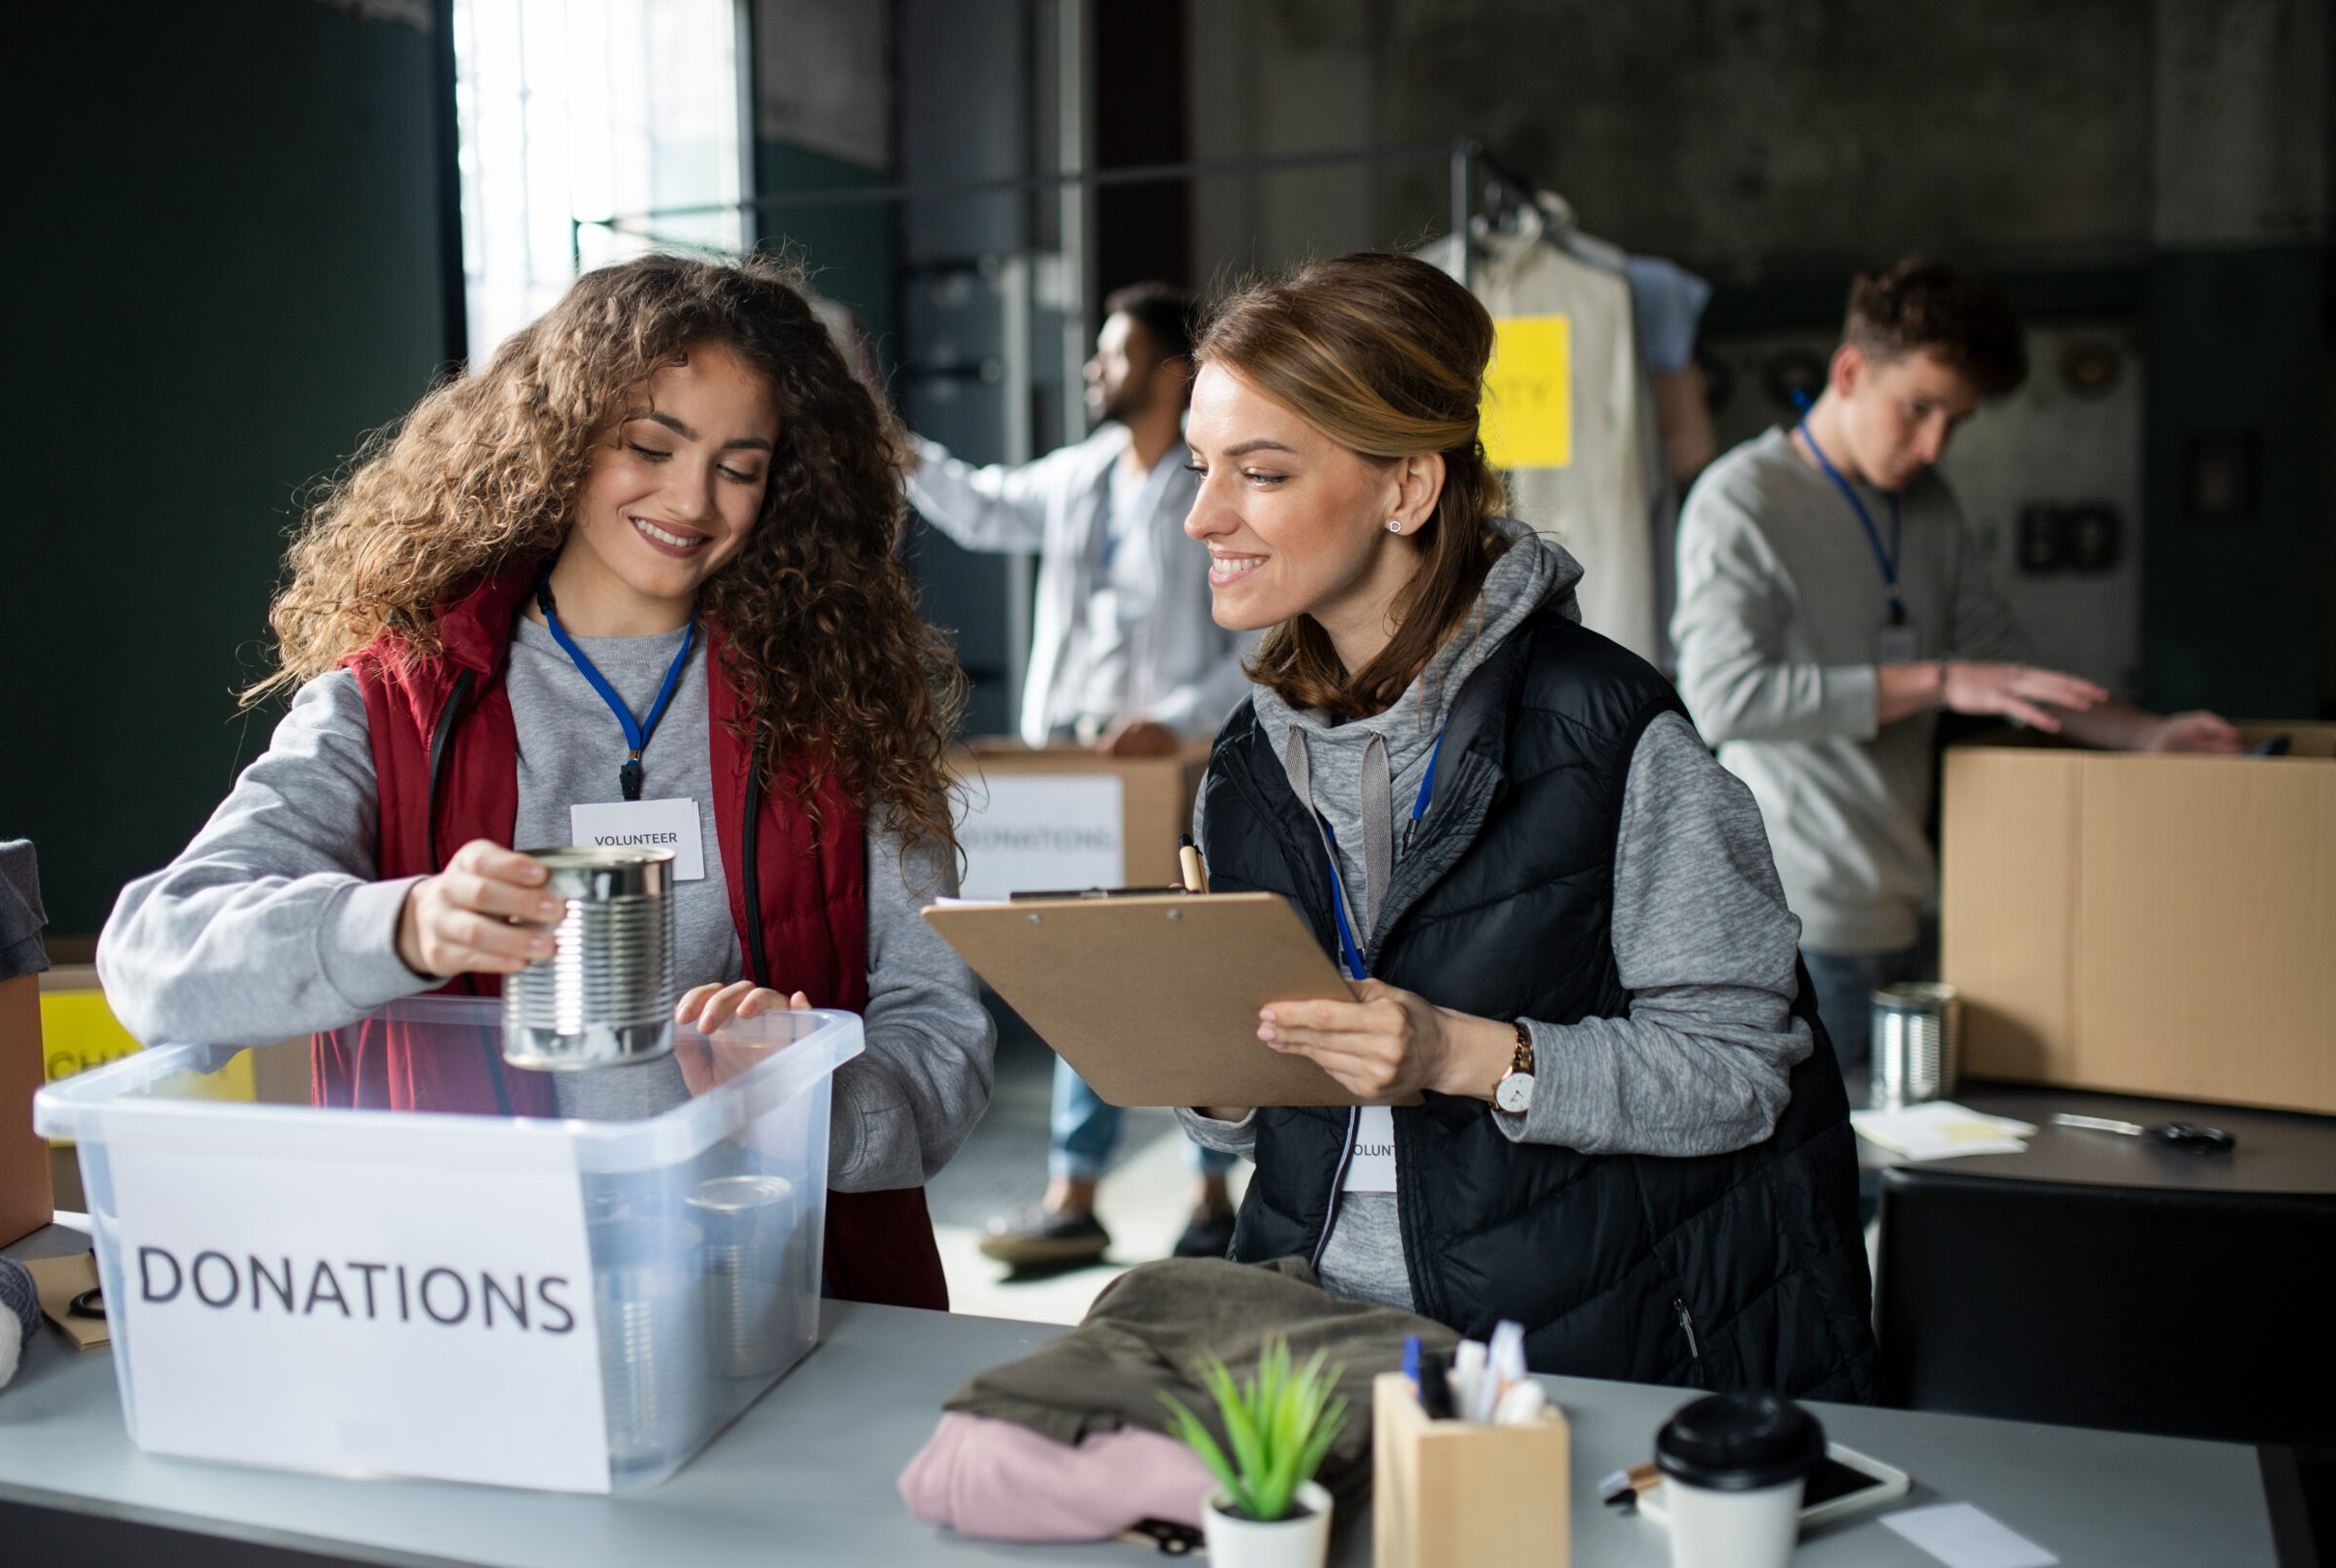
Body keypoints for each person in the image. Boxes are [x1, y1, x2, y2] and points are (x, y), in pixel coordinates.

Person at [98, 254, 996, 1310]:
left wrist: (805, 1102)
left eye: (739, 466)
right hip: (471, 1300)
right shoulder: (394, 706)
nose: (691, 499)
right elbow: (154, 959)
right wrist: (403, 927)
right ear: (563, 439)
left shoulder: (836, 706)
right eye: (649, 446)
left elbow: (943, 1038)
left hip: (785, 1301)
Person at [1173, 252, 1875, 1399]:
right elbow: (1253, 1130)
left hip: (1572, 1359)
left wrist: (1458, 1051)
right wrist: (1213, 1074)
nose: (1202, 514)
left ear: (1408, 489)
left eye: (1258, 472)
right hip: (1308, 1356)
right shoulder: (1246, 763)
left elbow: (1743, 1069)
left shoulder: (1608, 731)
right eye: (1202, 467)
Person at [1672, 258, 2240, 1096]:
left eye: (1955, 422)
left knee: (1910, 1168)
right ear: (1850, 371)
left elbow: (2002, 666)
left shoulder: (1927, 503)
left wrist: (2147, 735)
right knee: (1831, 1182)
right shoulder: (1741, 500)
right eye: (1918, 409)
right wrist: (1938, 682)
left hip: (1915, 901)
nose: (1934, 445)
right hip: (1796, 918)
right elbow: (1723, 696)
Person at [905, 283, 1249, 1268]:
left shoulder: (1209, 483)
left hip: (1179, 760)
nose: (1096, 369)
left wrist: (1175, 719)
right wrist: (905, 456)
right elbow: (982, 504)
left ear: (1173, 371)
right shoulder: (1081, 475)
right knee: (1083, 962)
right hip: (1077, 760)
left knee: (1184, 957)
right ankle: (1076, 1189)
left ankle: (1211, 1190)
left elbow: (1260, 645)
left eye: (1116, 354)